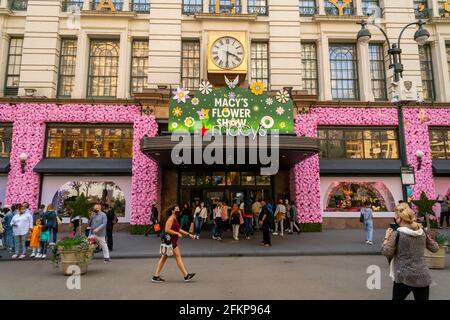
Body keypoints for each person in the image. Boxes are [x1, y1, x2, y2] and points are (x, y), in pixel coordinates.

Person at [381, 202, 439, 300]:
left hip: (403, 277)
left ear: (399, 218)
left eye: (395, 216)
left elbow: (386, 251)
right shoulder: (421, 232)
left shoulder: (397, 234)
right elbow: (435, 248)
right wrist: (427, 237)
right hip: (422, 276)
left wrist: (386, 237)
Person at [152, 205, 196, 283]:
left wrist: (189, 235)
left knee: (165, 259)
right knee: (176, 258)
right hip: (170, 242)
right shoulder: (171, 218)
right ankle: (186, 275)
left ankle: (156, 276)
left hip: (172, 242)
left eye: (178, 209)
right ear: (172, 211)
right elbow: (167, 229)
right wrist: (177, 234)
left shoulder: (175, 218)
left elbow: (179, 229)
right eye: (177, 209)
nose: (179, 210)